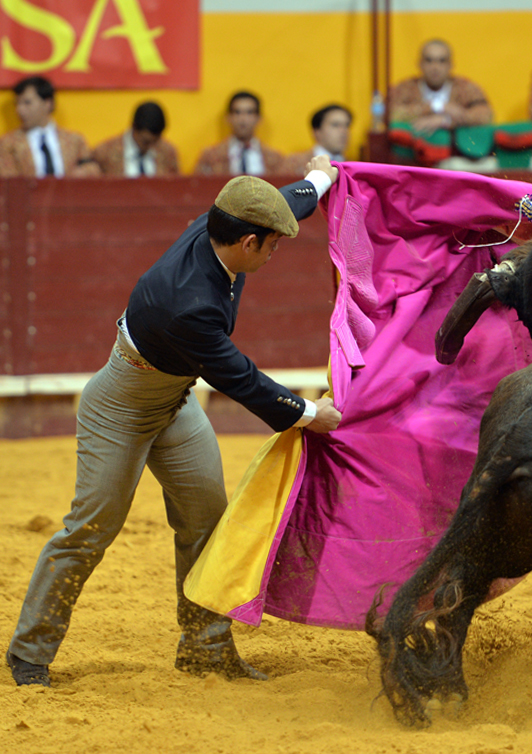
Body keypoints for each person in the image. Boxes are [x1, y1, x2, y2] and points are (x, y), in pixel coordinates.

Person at [5, 155, 342, 688]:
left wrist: (321, 177)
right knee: (91, 528)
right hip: (119, 408)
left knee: (206, 518)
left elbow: (281, 203)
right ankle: (29, 652)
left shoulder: (220, 228)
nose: (278, 250)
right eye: (273, 243)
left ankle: (205, 649)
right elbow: (240, 379)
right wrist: (307, 414)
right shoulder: (189, 304)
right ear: (249, 243)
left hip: (174, 400)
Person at [0, 76, 100, 177]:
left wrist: (82, 173)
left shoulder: (74, 140)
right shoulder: (8, 144)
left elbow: (92, 169)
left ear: (48, 103)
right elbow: (8, 180)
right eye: (17, 104)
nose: (19, 110)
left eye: (27, 103)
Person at [388, 39, 493, 134]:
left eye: (442, 61)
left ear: (451, 65)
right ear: (420, 64)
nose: (435, 67)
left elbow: (486, 115)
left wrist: (445, 121)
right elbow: (390, 114)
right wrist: (436, 106)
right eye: (429, 60)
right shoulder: (406, 88)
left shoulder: (464, 87)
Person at [194, 91, 284, 176]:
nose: (243, 119)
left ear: (259, 118)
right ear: (228, 118)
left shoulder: (275, 159)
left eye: (249, 112)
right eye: (237, 112)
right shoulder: (210, 157)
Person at [92, 101, 180, 177]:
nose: (150, 147)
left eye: (156, 141)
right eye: (145, 142)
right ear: (134, 127)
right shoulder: (104, 153)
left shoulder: (168, 152)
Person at [282, 104, 352, 175]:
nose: (344, 131)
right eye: (335, 125)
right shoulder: (295, 164)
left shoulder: (352, 167)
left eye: (347, 125)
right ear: (317, 131)